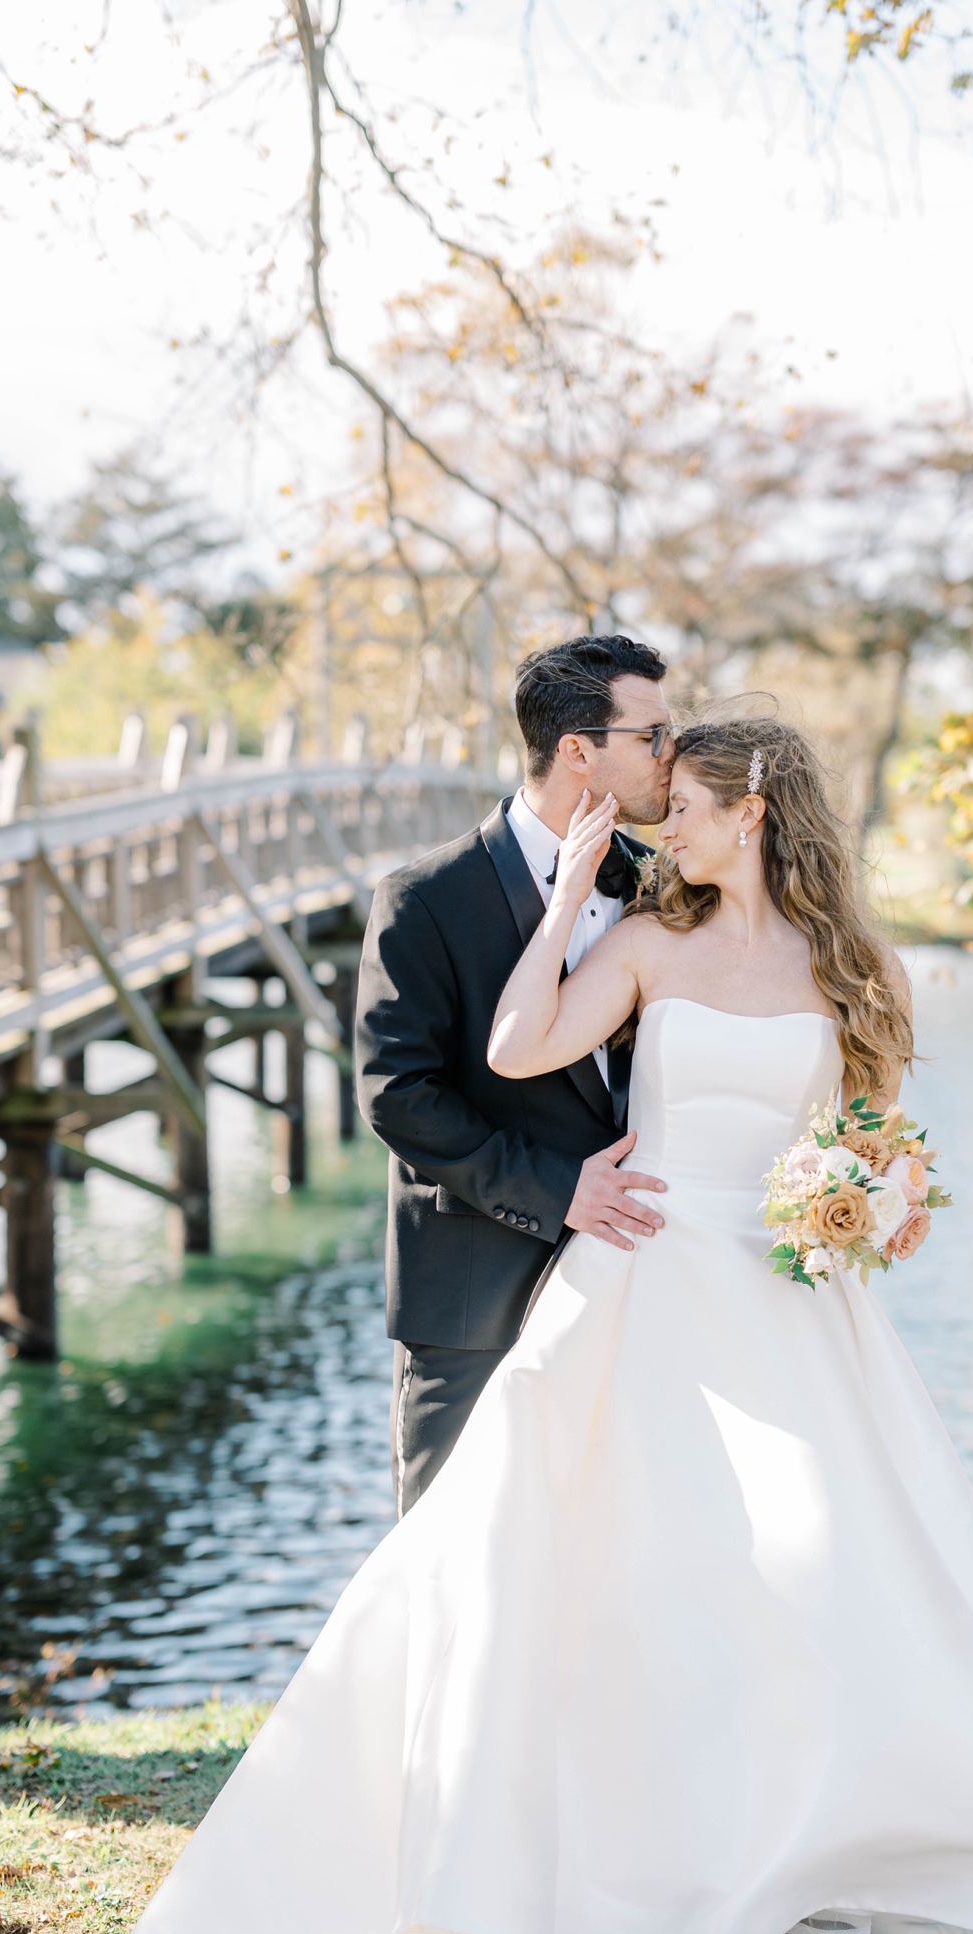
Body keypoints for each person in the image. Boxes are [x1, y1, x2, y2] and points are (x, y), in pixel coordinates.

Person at [106, 714, 973, 1934]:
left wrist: (869, 1201)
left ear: (756, 813)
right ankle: (624, 1864)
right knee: (601, 1572)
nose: (668, 830)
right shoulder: (645, 938)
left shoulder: (853, 966)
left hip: (789, 1298)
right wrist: (575, 891)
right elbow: (523, 1042)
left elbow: (880, 1137)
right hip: (643, 1284)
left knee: (829, 1560)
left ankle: (821, 1837)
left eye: (690, 807)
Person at [355, 633, 676, 1515]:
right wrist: (555, 1190)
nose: (669, 755)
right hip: (473, 1288)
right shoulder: (423, 899)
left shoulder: (660, 888)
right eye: (650, 735)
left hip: (636, 1279)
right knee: (449, 1548)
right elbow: (397, 1094)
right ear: (577, 750)